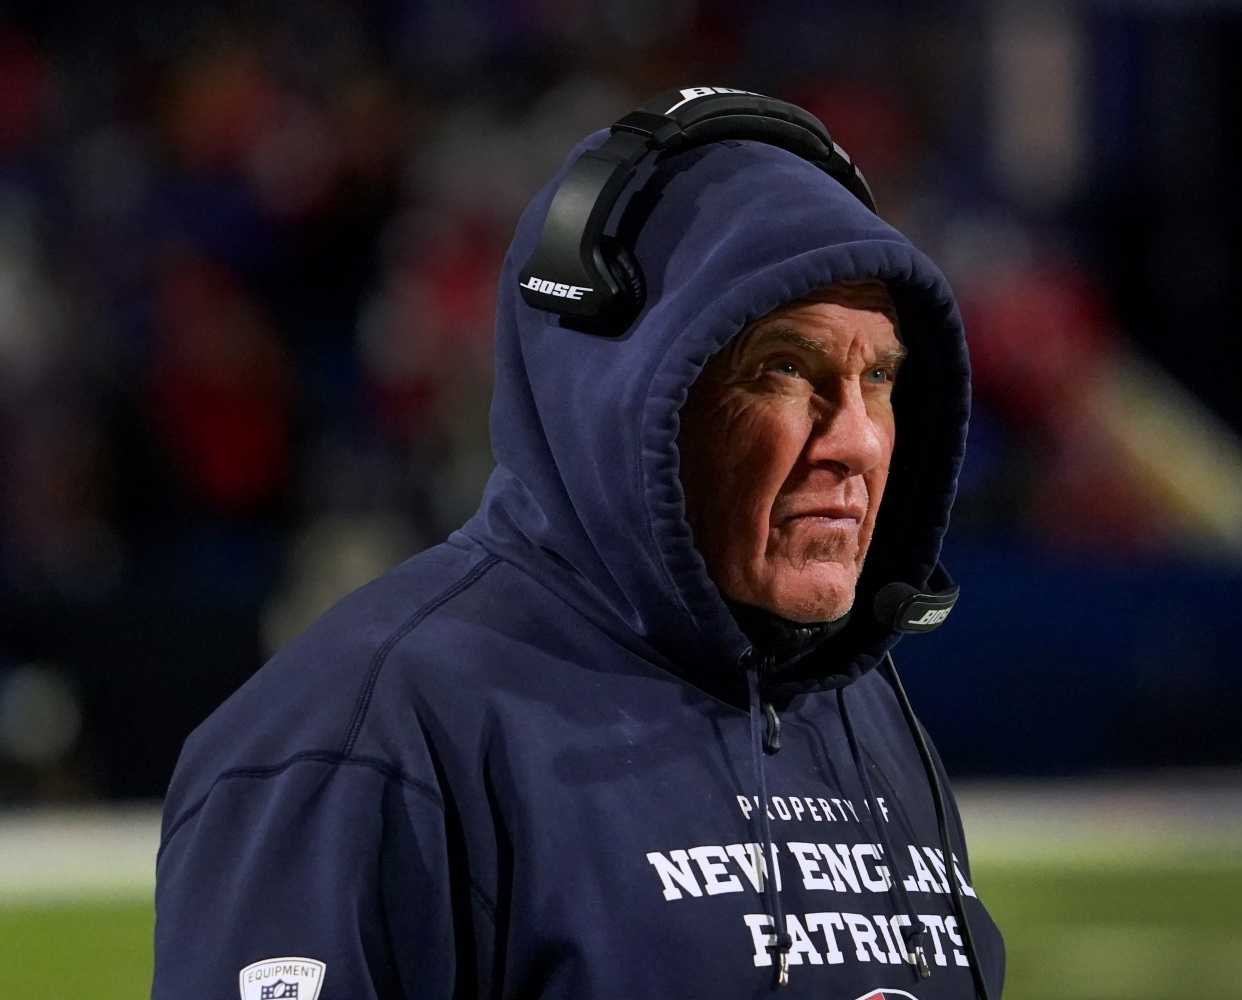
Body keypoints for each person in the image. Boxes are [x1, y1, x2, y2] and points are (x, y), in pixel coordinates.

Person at [152, 90, 1004, 1000]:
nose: (859, 441)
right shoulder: (361, 736)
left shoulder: (863, 710)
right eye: (786, 368)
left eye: (878, 378)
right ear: (627, 394)